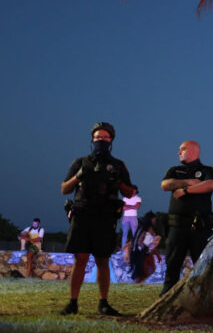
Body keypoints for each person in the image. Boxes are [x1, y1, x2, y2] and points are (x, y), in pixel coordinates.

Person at [59, 122, 138, 315]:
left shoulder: (118, 165)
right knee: (81, 259)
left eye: (105, 138)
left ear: (111, 140)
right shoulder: (81, 162)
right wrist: (78, 176)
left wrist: (117, 180)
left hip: (104, 217)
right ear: (92, 140)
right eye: (98, 138)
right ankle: (72, 302)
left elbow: (130, 193)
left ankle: (103, 302)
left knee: (103, 260)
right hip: (83, 215)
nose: (101, 141)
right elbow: (64, 189)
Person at [160, 140, 213, 295]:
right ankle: (167, 295)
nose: (179, 152)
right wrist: (187, 181)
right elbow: (165, 185)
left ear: (194, 151)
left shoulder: (207, 170)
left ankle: (202, 297)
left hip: (199, 228)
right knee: (172, 263)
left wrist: (185, 190)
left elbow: (211, 184)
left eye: (182, 149)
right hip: (176, 227)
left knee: (201, 265)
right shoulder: (174, 170)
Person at [129, 211, 162, 283]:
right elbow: (139, 241)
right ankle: (137, 283)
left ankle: (139, 282)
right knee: (144, 271)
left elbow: (151, 244)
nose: (155, 220)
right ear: (150, 219)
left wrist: (157, 255)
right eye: (154, 219)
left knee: (152, 269)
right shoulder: (143, 229)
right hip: (141, 252)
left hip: (147, 252)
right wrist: (144, 248)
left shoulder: (149, 228)